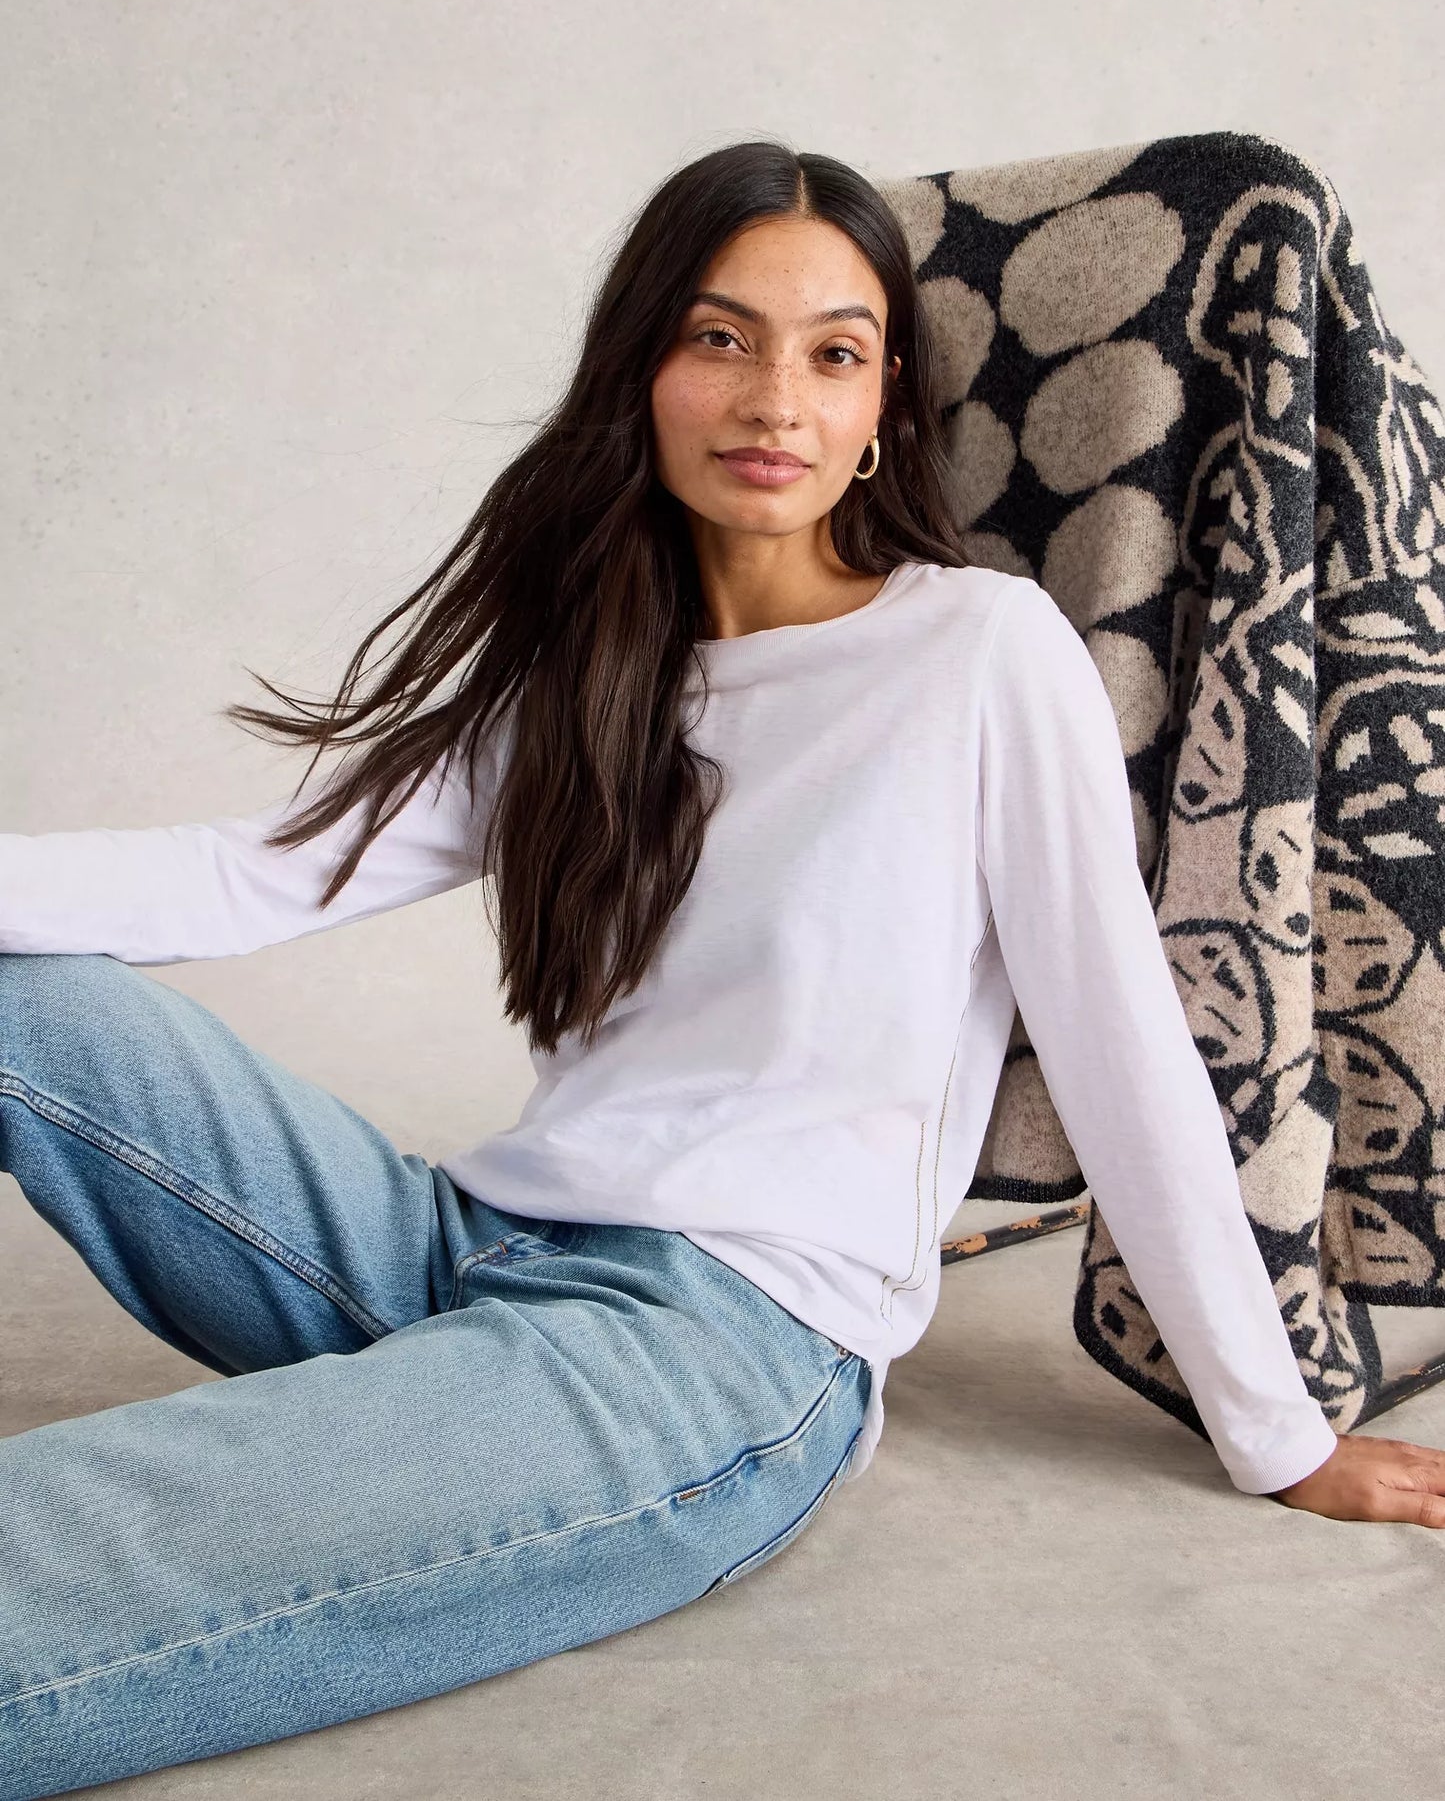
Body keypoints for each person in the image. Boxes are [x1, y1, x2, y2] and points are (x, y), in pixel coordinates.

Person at [2, 138, 1442, 1798]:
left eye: (833, 351)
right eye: (720, 338)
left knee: (97, 1545)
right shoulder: (588, 676)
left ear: (887, 400)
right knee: (25, 989)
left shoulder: (973, 652)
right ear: (643, 371)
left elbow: (1124, 1048)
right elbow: (252, 874)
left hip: (715, 1341)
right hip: (463, 1246)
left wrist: (1280, 1437)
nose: (776, 397)